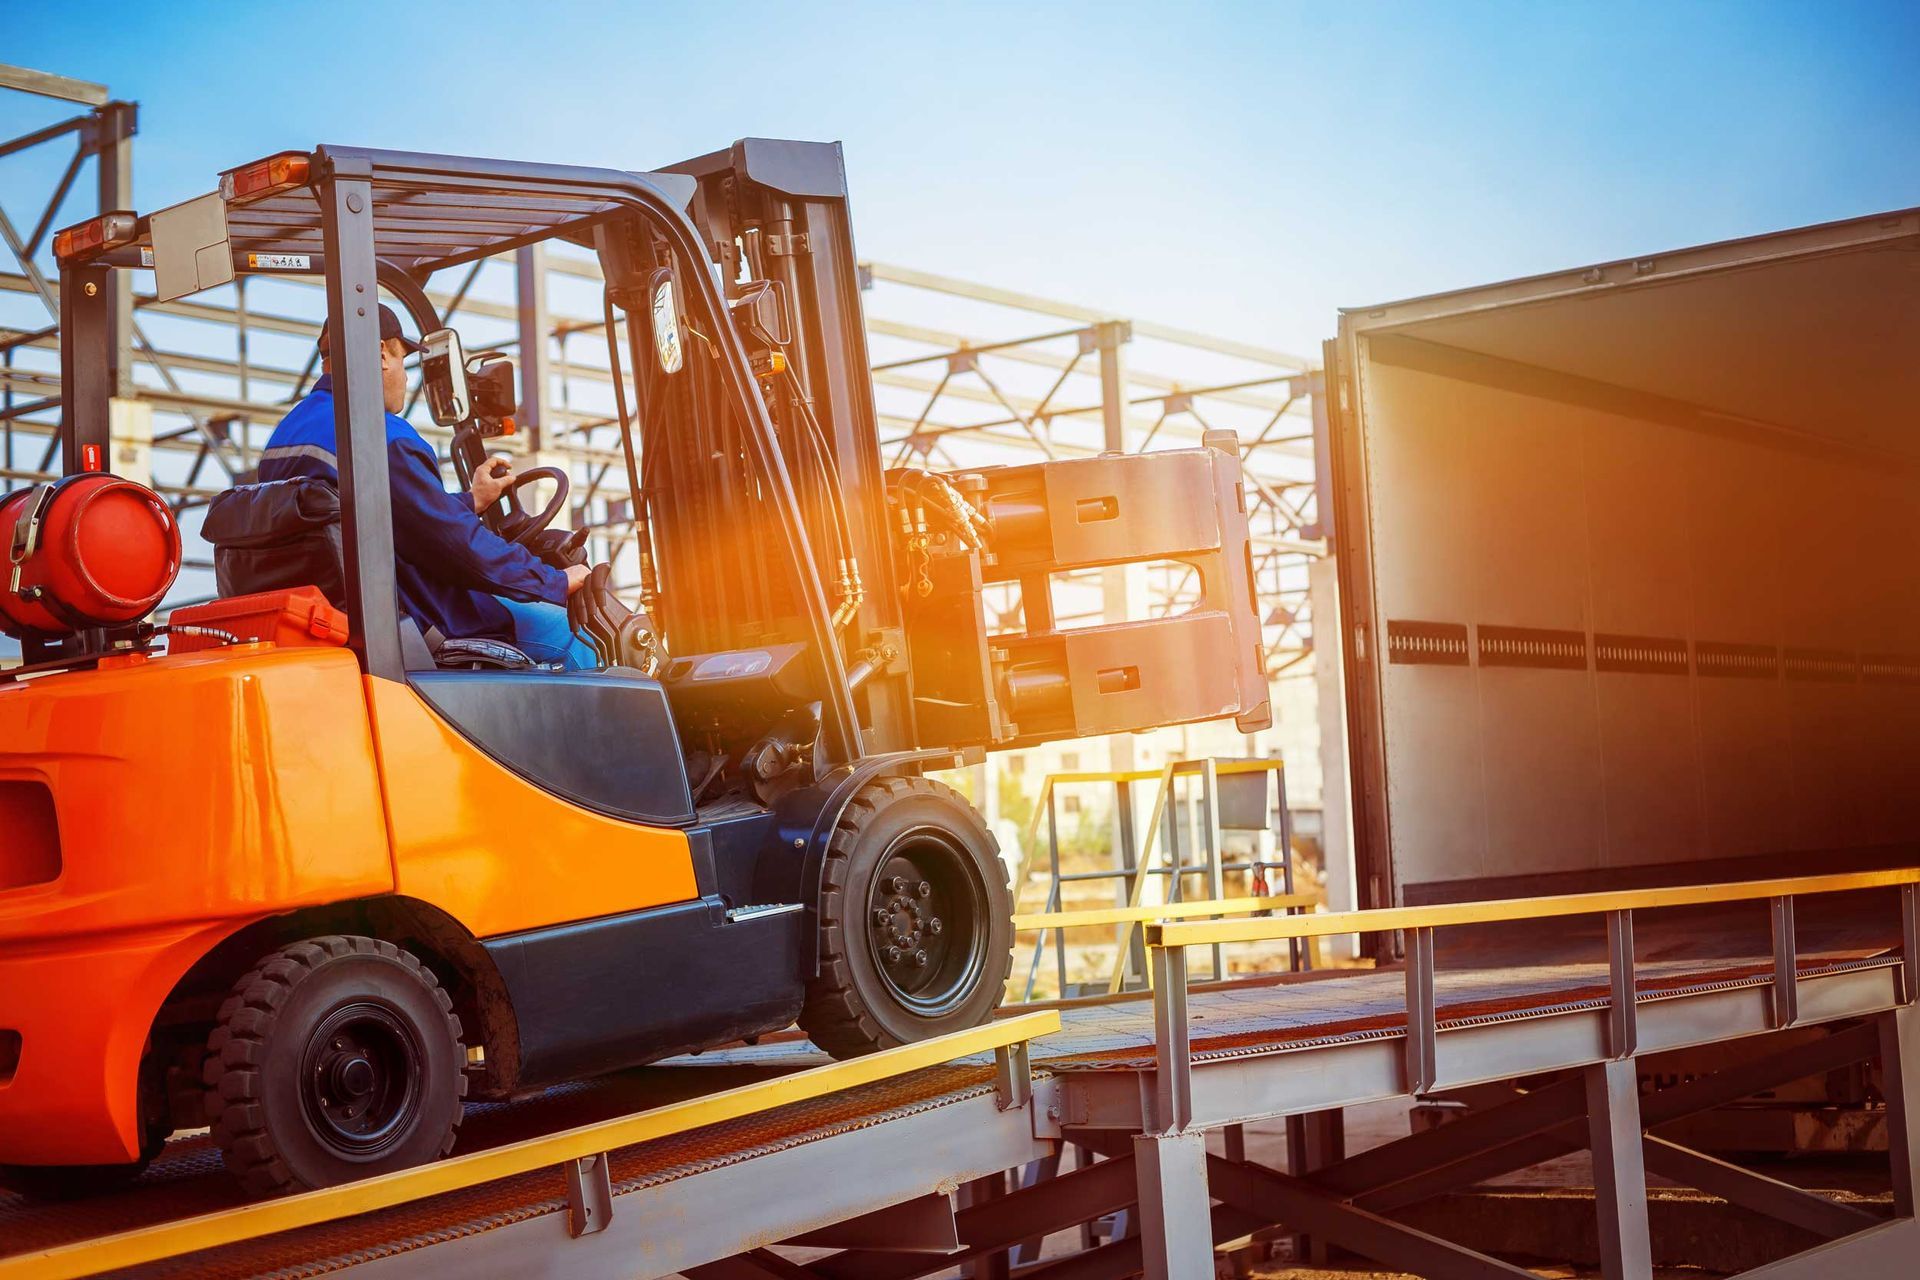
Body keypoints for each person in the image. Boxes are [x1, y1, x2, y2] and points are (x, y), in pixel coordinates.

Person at [259, 304, 596, 669]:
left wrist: (471, 501)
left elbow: (384, 516)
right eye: (405, 361)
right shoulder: (382, 435)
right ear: (380, 354)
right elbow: (459, 547)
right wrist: (553, 581)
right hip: (418, 620)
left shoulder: (285, 436)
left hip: (336, 623)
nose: (405, 378)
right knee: (574, 636)